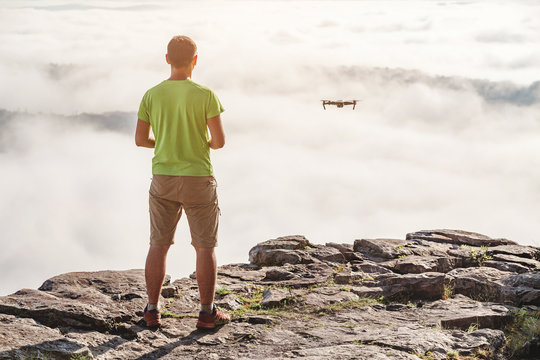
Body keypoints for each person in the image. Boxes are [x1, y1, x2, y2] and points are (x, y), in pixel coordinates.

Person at [135, 35, 230, 330]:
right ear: (195, 60)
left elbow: (140, 140)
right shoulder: (206, 95)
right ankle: (206, 313)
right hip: (198, 179)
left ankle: (152, 311)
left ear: (167, 59)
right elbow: (219, 142)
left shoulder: (151, 95)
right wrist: (197, 142)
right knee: (204, 247)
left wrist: (165, 143)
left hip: (163, 178)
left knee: (158, 245)